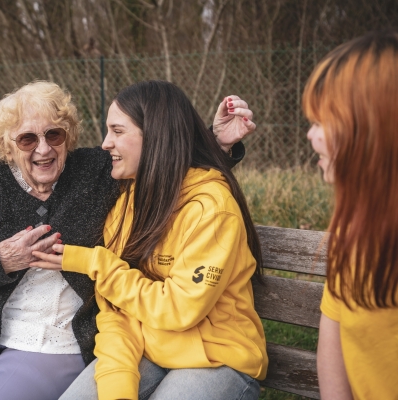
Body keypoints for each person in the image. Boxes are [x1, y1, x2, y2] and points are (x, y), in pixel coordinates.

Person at [0, 80, 256, 400]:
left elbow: (162, 157)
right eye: (27, 139)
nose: (44, 149)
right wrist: (0, 260)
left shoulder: (98, 171)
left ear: (68, 135)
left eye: (54, 135)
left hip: (57, 338)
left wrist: (215, 141)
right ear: (5, 144)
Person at [32, 80, 267, 400]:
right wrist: (117, 390)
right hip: (149, 349)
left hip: (217, 358)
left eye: (117, 130)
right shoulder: (127, 203)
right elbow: (116, 310)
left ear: (155, 137)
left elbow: (177, 309)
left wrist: (95, 262)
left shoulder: (211, 208)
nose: (105, 143)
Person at [302, 30, 398, 400]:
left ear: (374, 127)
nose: (311, 136)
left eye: (323, 121)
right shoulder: (352, 231)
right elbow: (335, 343)